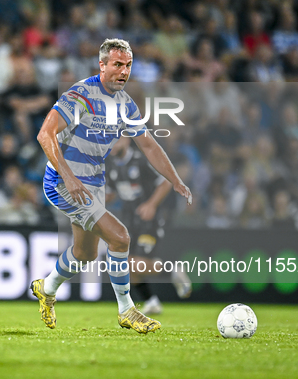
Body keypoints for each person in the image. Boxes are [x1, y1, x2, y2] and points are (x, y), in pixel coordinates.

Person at [30, 38, 192, 334]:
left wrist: (174, 179)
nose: (124, 71)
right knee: (120, 238)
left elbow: (149, 145)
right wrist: (68, 176)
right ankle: (127, 310)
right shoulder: (82, 95)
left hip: (93, 182)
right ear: (102, 65)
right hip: (65, 182)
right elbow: (45, 134)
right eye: (117, 64)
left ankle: (46, 287)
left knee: (85, 254)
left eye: (128, 65)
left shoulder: (125, 104)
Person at [106, 137, 192, 316]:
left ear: (126, 140)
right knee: (127, 266)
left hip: (148, 222)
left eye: (115, 139)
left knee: (132, 263)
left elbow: (165, 182)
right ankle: (151, 301)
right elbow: (112, 191)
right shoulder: (112, 164)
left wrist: (151, 204)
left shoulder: (140, 161)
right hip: (129, 223)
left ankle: (172, 270)